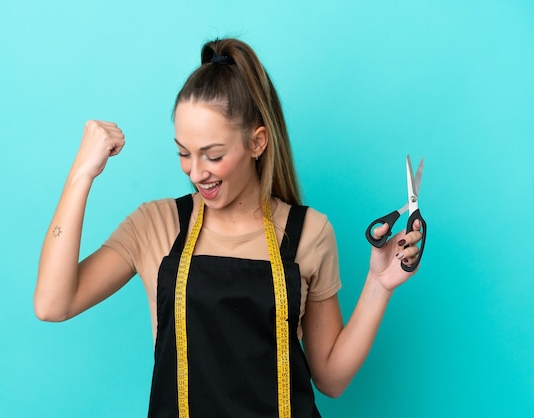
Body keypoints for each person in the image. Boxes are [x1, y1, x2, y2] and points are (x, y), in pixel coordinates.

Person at [34, 38, 424, 418]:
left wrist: (379, 285)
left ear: (257, 143)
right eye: (184, 153)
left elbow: (331, 379)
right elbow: (54, 304)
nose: (196, 172)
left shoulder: (309, 232)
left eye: (213, 155)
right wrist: (81, 174)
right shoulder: (156, 225)